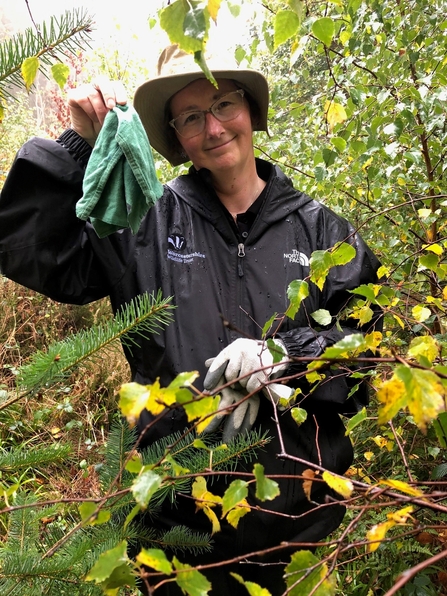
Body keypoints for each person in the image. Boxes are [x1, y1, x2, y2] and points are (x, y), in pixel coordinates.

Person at [0, 45, 381, 595]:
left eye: (224, 104)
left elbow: (367, 346)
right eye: (191, 117)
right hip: (177, 541)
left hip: (299, 533)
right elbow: (34, 252)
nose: (214, 127)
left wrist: (285, 357)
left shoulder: (322, 232)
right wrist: (76, 145)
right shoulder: (144, 220)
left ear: (250, 110)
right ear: (177, 137)